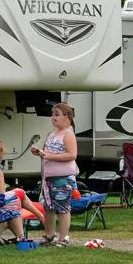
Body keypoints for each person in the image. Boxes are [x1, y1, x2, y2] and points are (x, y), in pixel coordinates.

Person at [0, 138, 45, 244]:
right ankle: (36, 221)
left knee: (18, 193)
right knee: (16, 198)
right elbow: (1, 193)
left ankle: (36, 221)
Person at [32, 102, 78, 247]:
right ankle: (49, 235)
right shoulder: (51, 134)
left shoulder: (68, 134)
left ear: (67, 117)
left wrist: (48, 156)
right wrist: (40, 153)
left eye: (57, 114)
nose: (53, 117)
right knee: (48, 207)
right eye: (53, 114)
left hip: (63, 178)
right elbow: (47, 154)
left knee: (62, 208)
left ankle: (63, 238)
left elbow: (72, 155)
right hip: (48, 178)